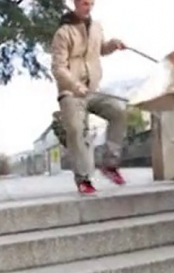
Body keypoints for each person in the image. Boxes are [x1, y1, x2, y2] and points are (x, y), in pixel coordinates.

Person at [50, 0, 128, 195]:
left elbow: (100, 48)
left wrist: (113, 45)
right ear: (75, 3)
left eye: (92, 3)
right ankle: (83, 178)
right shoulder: (63, 33)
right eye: (85, 3)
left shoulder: (96, 27)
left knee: (119, 110)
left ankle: (109, 165)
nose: (89, 7)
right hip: (70, 92)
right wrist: (74, 85)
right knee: (77, 130)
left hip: (92, 90)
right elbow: (58, 68)